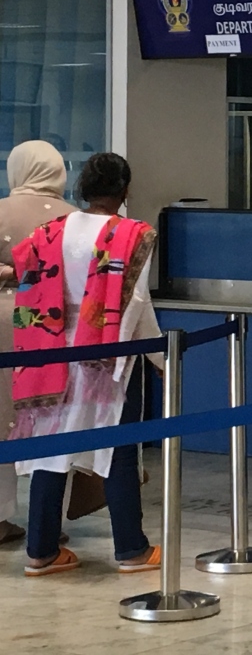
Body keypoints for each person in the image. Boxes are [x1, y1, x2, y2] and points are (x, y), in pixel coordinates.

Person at [11, 152, 162, 575]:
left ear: (82, 188)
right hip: (107, 354)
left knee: (50, 450)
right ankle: (131, 549)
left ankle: (41, 551)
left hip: (52, 351)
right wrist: (158, 354)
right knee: (119, 449)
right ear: (125, 190)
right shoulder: (132, 234)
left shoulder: (50, 232)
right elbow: (136, 303)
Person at [0, 141, 77, 548]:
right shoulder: (75, 218)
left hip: (3, 322)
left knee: (0, 419)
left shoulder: (0, 211)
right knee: (53, 420)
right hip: (53, 325)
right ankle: (49, 523)